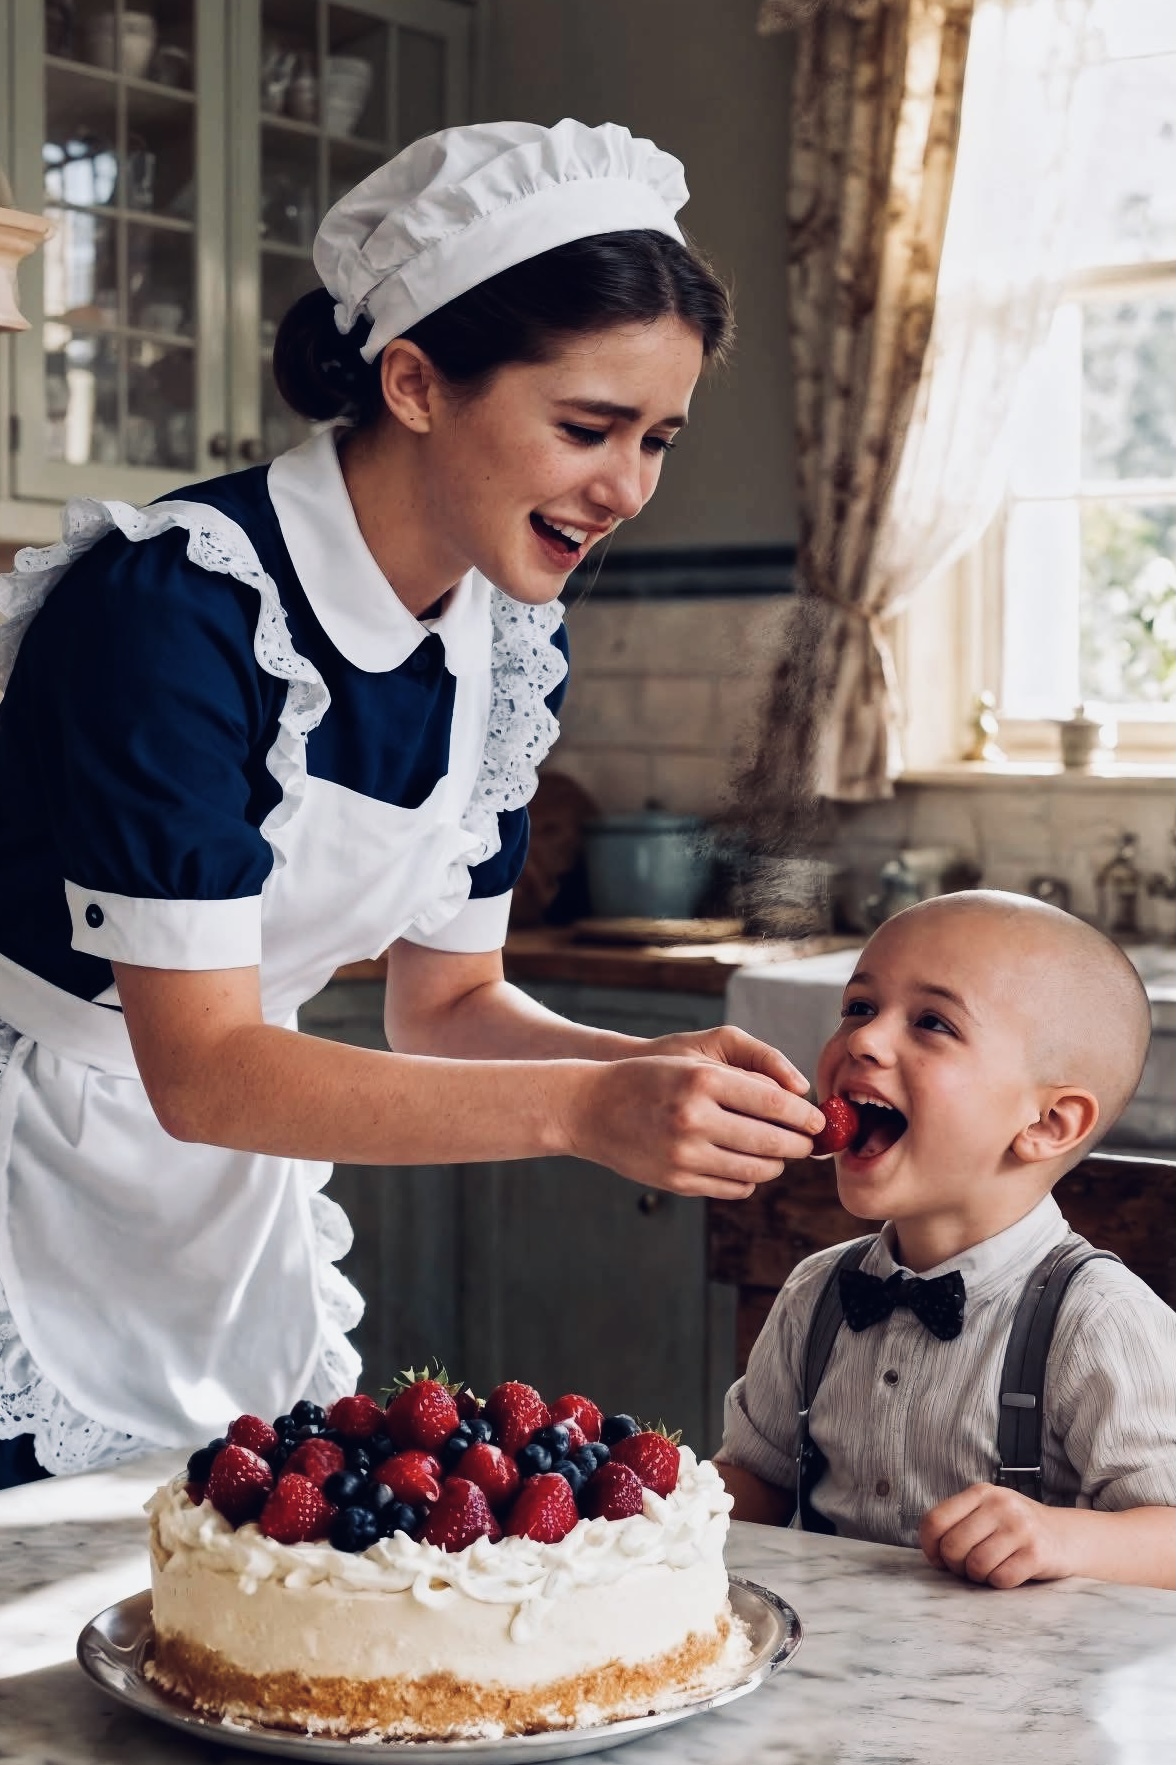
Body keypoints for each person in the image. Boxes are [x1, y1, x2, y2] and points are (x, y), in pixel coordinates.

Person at [0, 120, 823, 1486]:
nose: (626, 490)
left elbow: (446, 1005)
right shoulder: (177, 605)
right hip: (33, 1174)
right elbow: (200, 1067)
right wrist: (583, 1112)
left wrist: (641, 1069)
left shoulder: (501, 638)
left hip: (228, 1210)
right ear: (416, 382)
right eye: (587, 427)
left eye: (658, 441)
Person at [717, 891, 1176, 1591]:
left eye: (932, 1022)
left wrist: (1064, 1538)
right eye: (859, 1007)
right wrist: (639, 1505)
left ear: (1047, 1123)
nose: (863, 1040)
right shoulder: (817, 1293)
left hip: (1016, 1666)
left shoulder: (1099, 1322)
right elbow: (756, 1481)